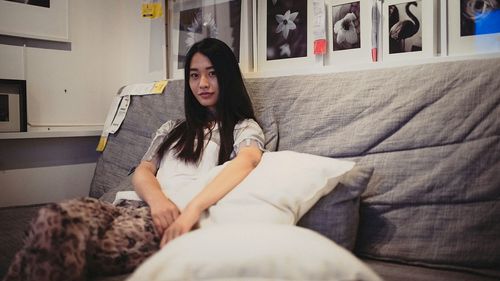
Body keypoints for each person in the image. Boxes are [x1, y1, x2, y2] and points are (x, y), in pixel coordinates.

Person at [3, 37, 265, 281]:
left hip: (170, 223)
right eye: (194, 76)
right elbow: (144, 170)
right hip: (131, 207)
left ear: (227, 76)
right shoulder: (173, 128)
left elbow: (248, 161)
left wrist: (192, 210)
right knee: (52, 215)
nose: (202, 84)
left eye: (212, 73)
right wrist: (158, 200)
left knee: (56, 234)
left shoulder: (243, 128)